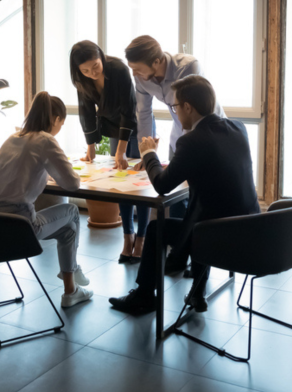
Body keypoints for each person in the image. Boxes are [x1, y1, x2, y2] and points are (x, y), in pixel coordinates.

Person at [109, 75, 260, 314]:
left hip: (217, 237)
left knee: (157, 228)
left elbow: (161, 185)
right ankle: (197, 294)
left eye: (175, 106)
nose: (175, 112)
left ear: (188, 107)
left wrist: (148, 153)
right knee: (202, 214)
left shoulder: (191, 141)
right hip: (253, 232)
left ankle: (144, 296)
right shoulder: (238, 128)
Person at [125, 35, 226, 272]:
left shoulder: (188, 66)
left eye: (138, 69)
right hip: (178, 133)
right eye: (133, 70)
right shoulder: (141, 78)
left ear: (157, 61)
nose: (136, 74)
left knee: (197, 195)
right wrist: (145, 151)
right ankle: (180, 253)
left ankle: (199, 253)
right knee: (176, 197)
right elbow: (144, 113)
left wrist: (184, 149)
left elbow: (194, 108)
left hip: (207, 133)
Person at [0, 91, 93, 308]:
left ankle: (71, 286)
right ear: (55, 120)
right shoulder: (45, 140)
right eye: (61, 123)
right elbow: (72, 183)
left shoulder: (13, 137)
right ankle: (71, 277)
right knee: (72, 212)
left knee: (68, 229)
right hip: (21, 228)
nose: (59, 128)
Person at [70, 40, 152, 263]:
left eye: (95, 66)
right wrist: (90, 147)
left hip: (136, 126)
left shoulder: (118, 70)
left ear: (101, 56)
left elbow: (128, 109)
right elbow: (86, 111)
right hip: (116, 128)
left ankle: (142, 239)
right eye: (85, 70)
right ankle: (128, 237)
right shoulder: (82, 79)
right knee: (121, 185)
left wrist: (121, 150)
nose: (92, 73)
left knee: (140, 185)